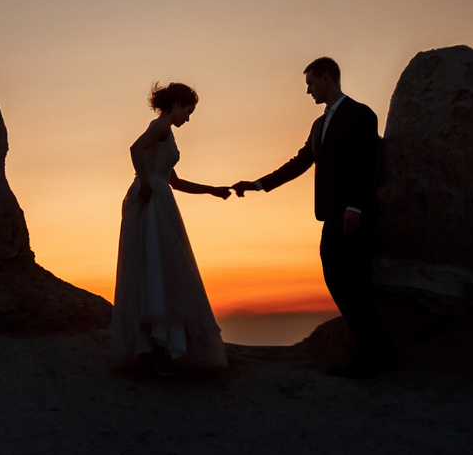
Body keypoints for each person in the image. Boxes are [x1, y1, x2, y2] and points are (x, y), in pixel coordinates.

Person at [233, 58, 396, 377]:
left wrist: (356, 206)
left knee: (358, 284)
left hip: (354, 214)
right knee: (336, 278)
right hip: (331, 216)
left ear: (327, 78)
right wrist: (256, 184)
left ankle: (373, 356)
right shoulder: (318, 125)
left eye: (311, 83)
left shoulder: (360, 113)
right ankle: (377, 350)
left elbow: (367, 163)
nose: (308, 90)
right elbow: (299, 162)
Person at [111, 82, 234, 374]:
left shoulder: (167, 132)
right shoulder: (161, 125)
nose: (188, 118)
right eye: (188, 111)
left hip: (159, 195)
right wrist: (143, 182)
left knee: (161, 267)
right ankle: (153, 348)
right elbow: (135, 148)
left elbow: (175, 181)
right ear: (176, 105)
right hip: (151, 199)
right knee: (154, 264)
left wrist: (212, 190)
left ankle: (158, 346)